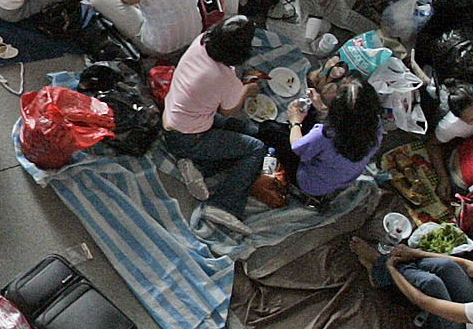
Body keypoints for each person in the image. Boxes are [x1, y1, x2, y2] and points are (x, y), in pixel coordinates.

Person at [163, 17, 269, 236]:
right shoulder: (224, 78)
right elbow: (228, 110)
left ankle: (197, 166)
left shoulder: (201, 41)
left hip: (173, 115)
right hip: (189, 136)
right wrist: (247, 90)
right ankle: (223, 205)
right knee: (256, 148)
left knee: (251, 131)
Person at [287, 75, 381, 203]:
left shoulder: (325, 133)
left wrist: (295, 121)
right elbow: (350, 119)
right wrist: (321, 107)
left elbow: (297, 147)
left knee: (271, 130)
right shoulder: (376, 125)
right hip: (339, 180)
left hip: (310, 183)